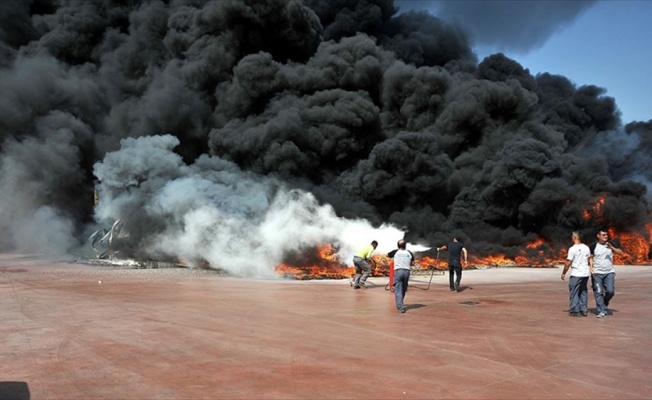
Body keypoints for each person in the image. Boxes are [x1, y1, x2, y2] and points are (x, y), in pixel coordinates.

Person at [589, 229, 623, 318]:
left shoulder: (610, 244)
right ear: (598, 236)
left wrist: (612, 248)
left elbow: (621, 253)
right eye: (603, 235)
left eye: (606, 235)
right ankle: (601, 310)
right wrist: (591, 268)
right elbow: (590, 257)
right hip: (597, 273)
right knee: (598, 292)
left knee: (610, 291)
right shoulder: (593, 245)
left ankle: (605, 301)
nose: (606, 236)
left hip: (609, 272)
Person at [561, 231, 591, 317]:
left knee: (574, 292)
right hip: (585, 273)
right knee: (583, 291)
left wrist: (563, 273)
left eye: (572, 236)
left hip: (576, 274)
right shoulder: (586, 248)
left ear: (575, 238)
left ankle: (575, 310)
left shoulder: (572, 249)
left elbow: (568, 262)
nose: (571, 238)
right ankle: (584, 309)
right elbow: (589, 260)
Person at [388, 239, 414, 313]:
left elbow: (388, 255)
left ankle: (400, 306)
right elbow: (412, 262)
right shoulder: (409, 252)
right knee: (403, 288)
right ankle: (400, 303)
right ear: (405, 245)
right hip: (407, 272)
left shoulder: (395, 251)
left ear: (398, 246)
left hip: (399, 271)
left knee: (398, 289)